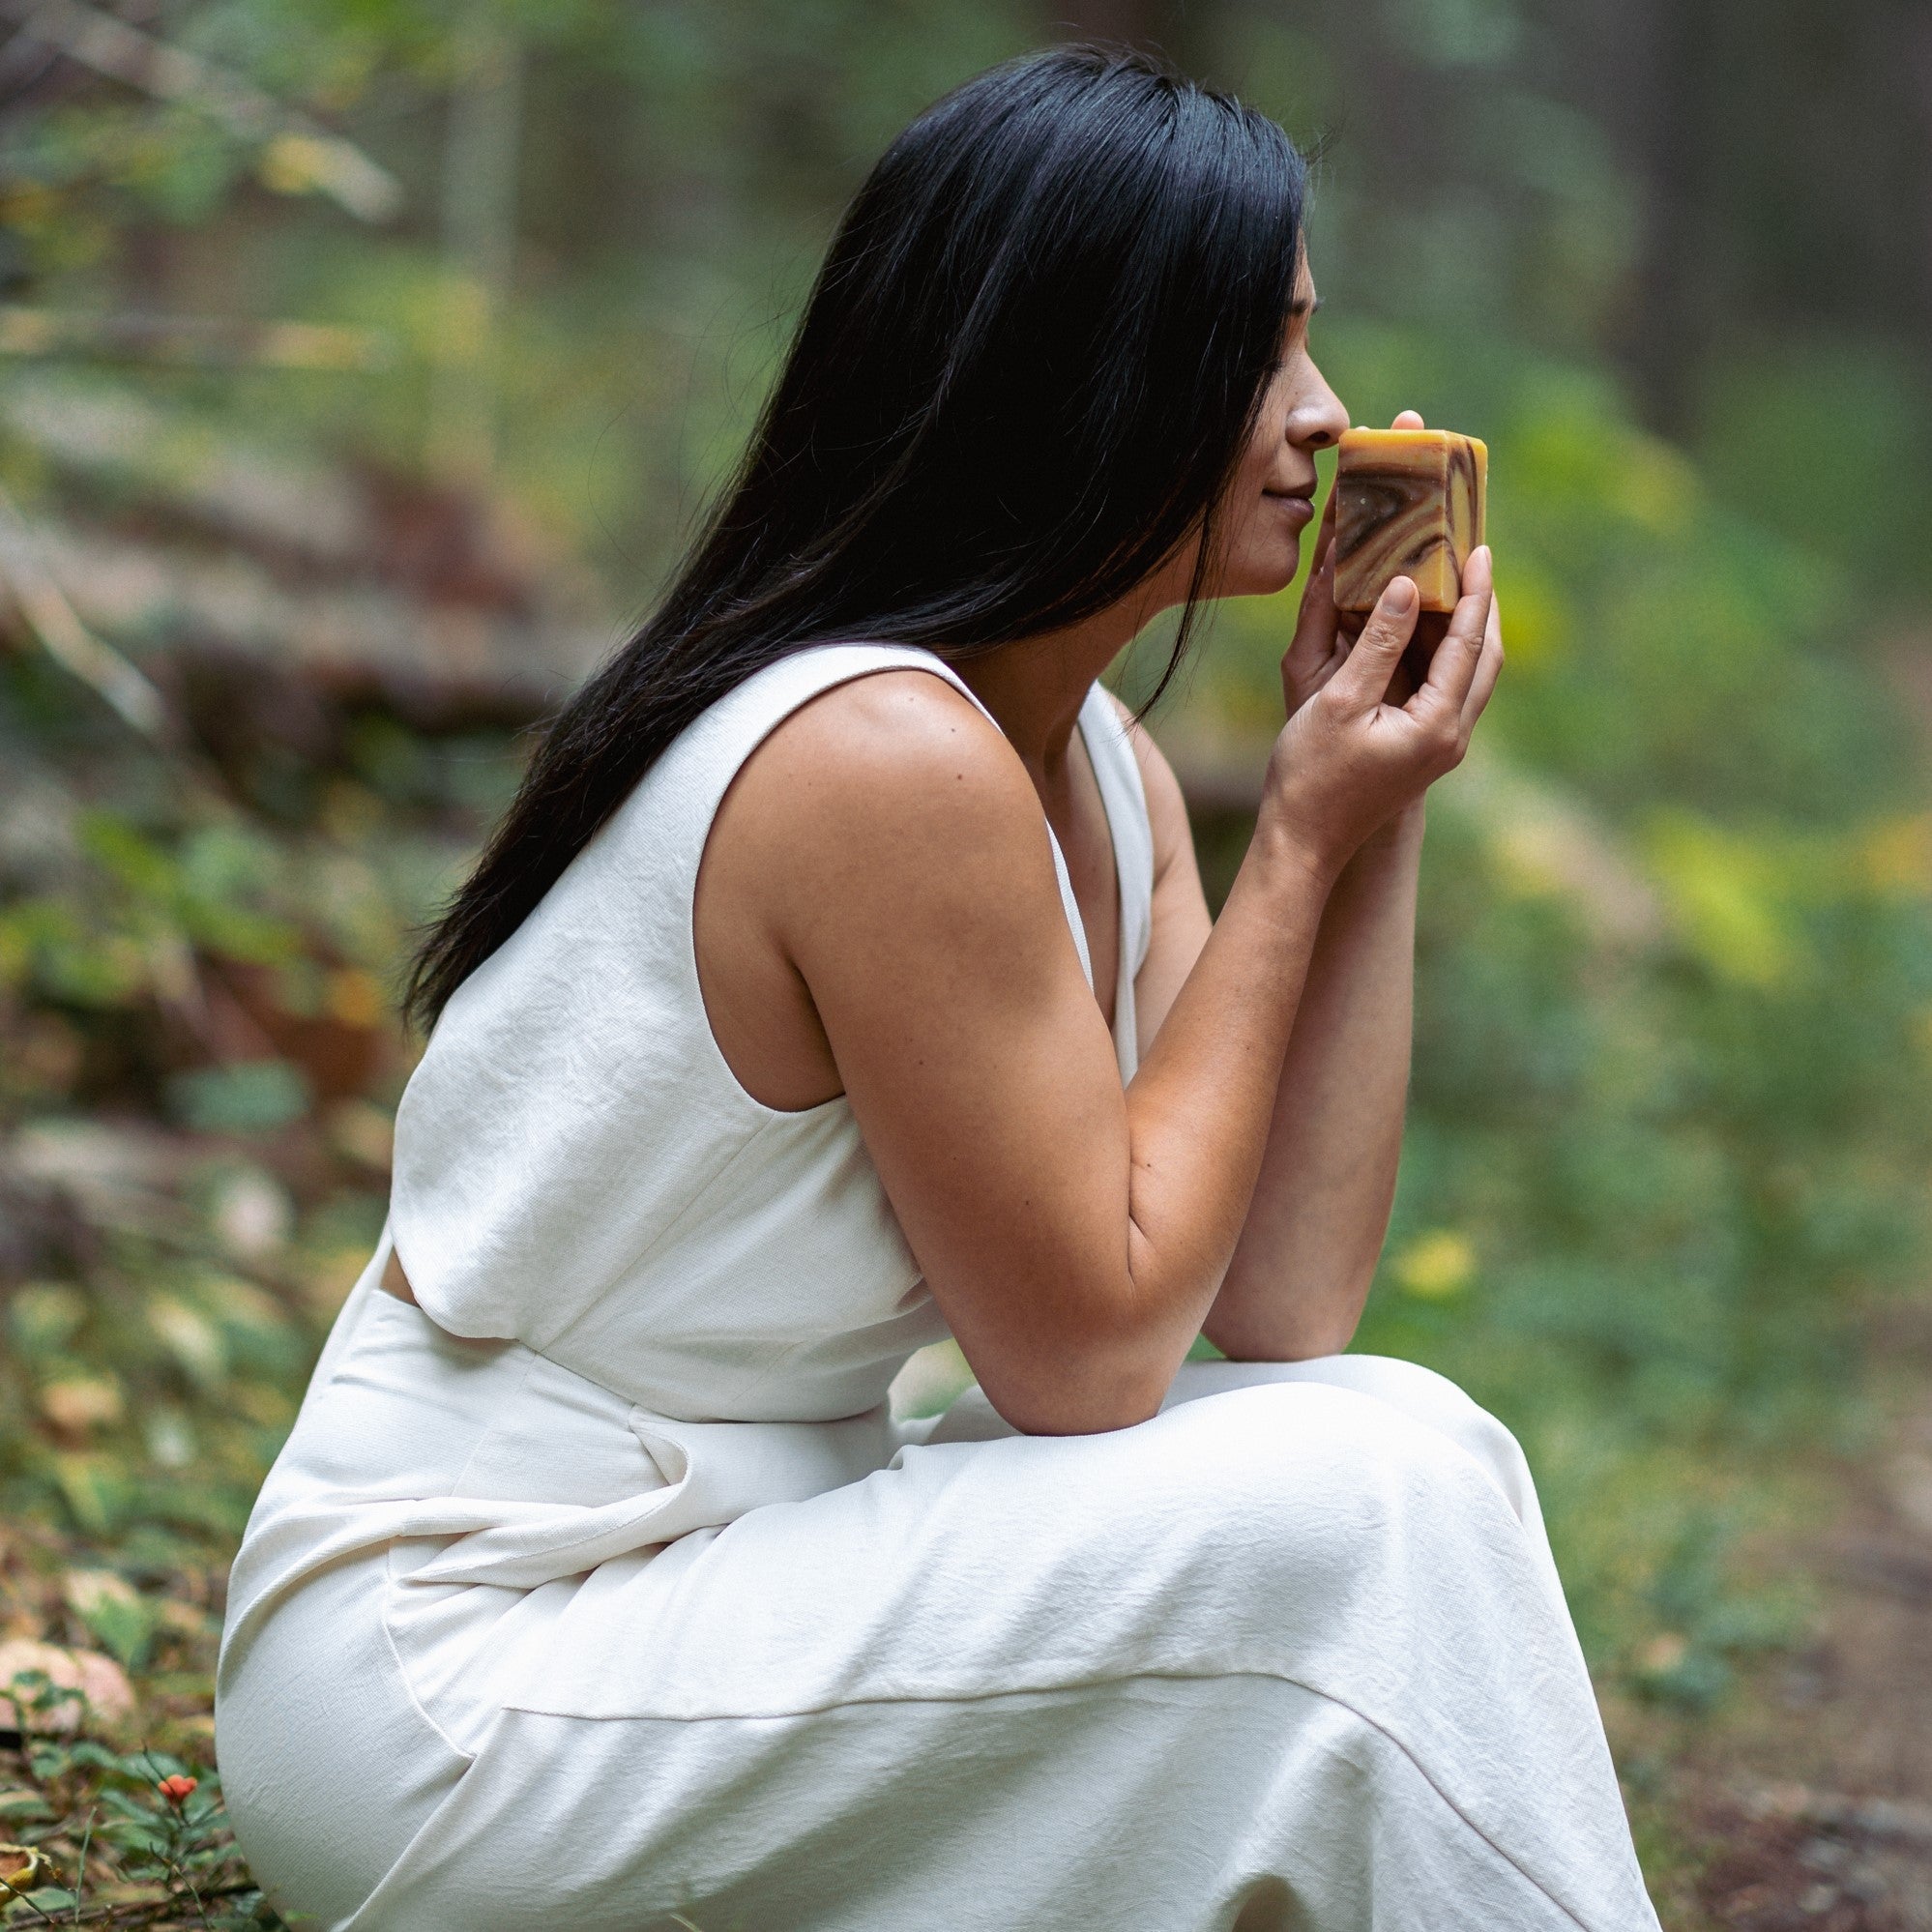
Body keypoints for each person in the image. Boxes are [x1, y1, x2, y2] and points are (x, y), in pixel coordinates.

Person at [216, 44, 1660, 1932]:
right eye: (1262, 352)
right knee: (1368, 1507)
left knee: (1400, 1440)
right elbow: (1087, 1361)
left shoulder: (1098, 780)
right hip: (467, 1678)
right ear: (1085, 372)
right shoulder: (878, 763)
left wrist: (1363, 801)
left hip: (732, 1582)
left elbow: (1286, 1300)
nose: (1319, 423)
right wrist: (1294, 843)